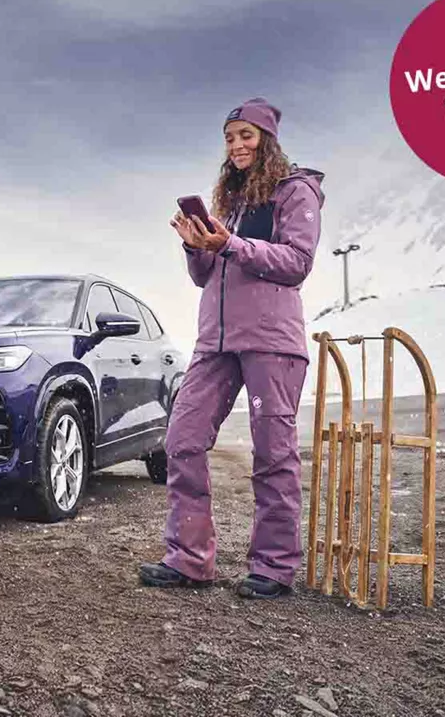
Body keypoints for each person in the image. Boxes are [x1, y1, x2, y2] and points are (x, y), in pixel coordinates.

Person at [139, 97, 324, 599]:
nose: (236, 145)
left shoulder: (296, 191)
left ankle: (274, 567)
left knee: (273, 454)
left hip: (271, 340)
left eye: (246, 135)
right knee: (182, 439)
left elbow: (297, 262)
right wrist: (196, 246)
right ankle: (189, 559)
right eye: (229, 137)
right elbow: (206, 276)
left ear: (267, 139)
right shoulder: (231, 200)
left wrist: (231, 244)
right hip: (215, 342)